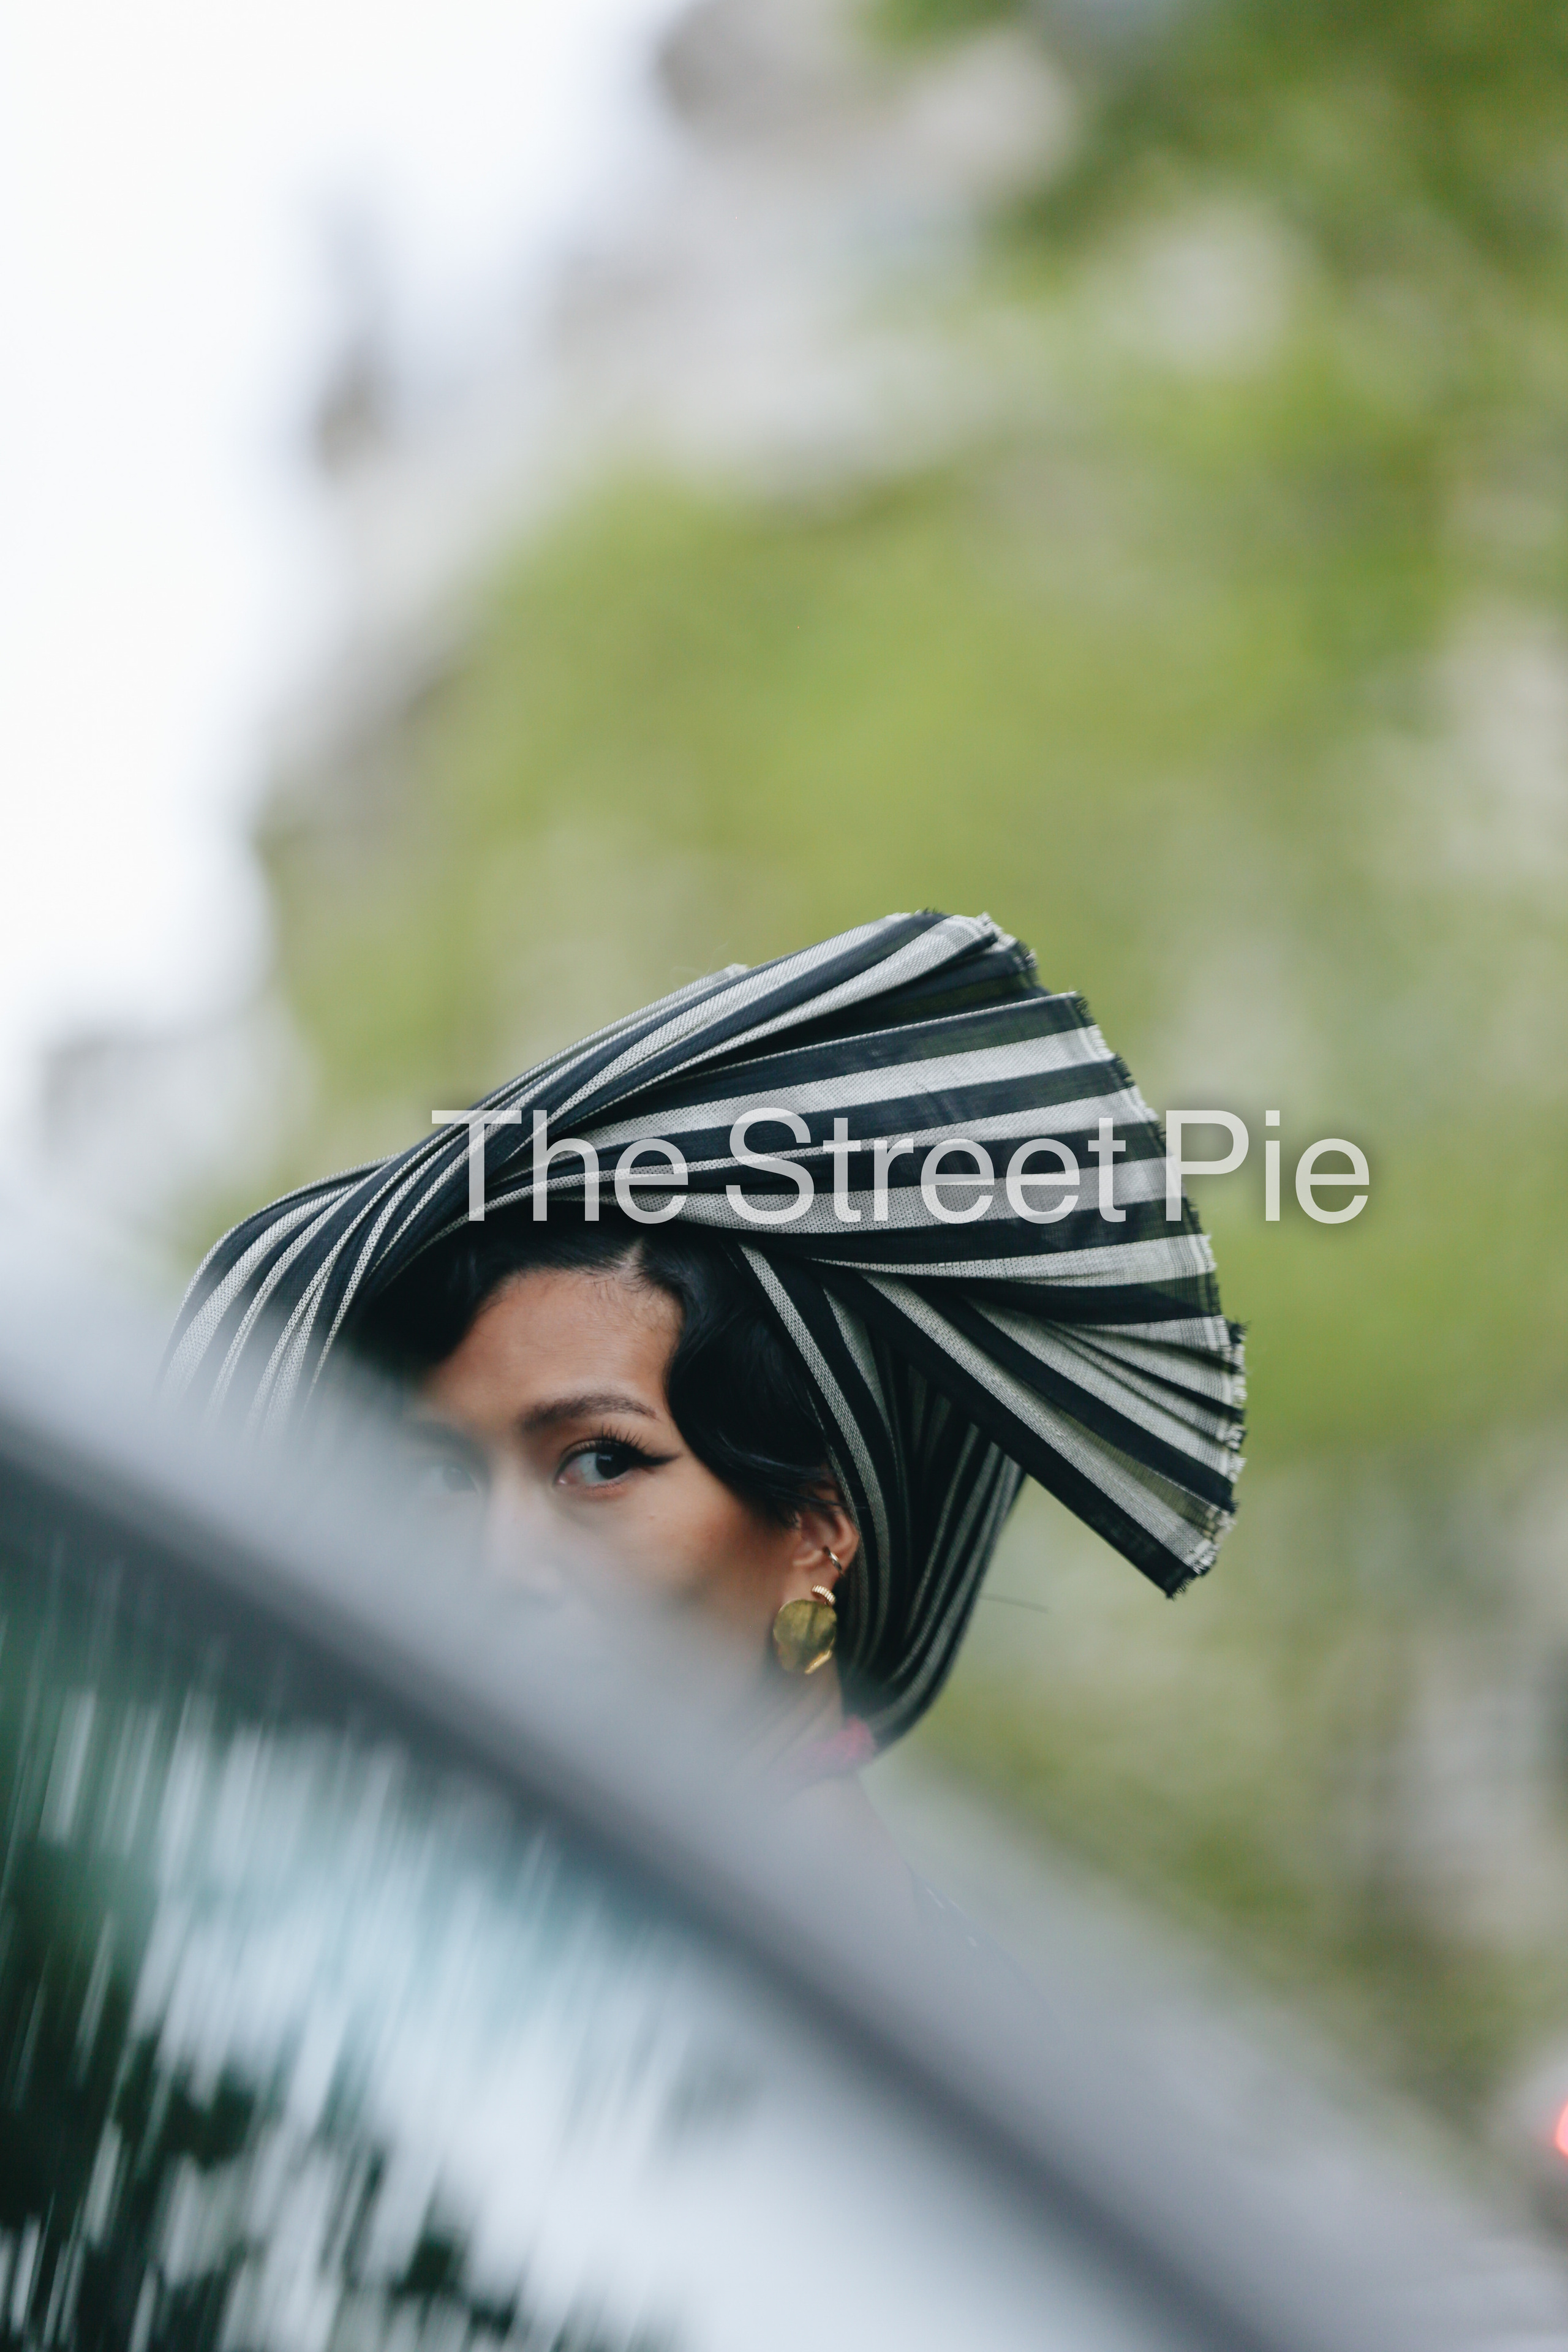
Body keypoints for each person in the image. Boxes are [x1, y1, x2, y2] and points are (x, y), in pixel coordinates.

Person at [167, 911, 1245, 1847]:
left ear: (821, 1520)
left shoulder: (801, 1980)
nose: (495, 1563)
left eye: (597, 1463)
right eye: (437, 1480)